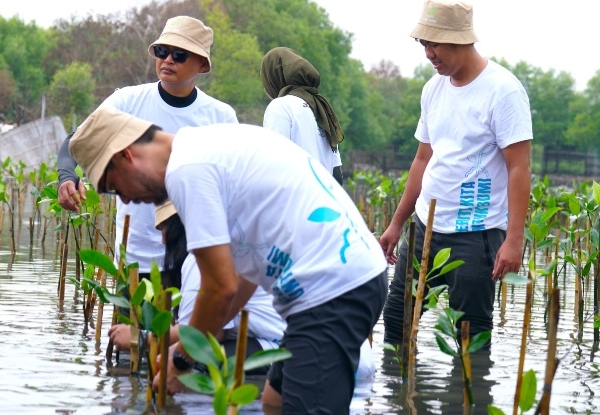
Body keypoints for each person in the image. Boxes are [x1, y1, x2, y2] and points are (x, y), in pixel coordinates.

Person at [69, 106, 388, 414]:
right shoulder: (204, 149)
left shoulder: (187, 170)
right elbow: (240, 283)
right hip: (335, 287)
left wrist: (180, 361)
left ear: (126, 155)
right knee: (273, 403)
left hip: (332, 289)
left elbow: (218, 290)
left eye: (112, 187)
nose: (124, 199)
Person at [379, 0, 532, 346]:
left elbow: (519, 168)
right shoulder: (433, 89)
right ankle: (401, 399)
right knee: (396, 320)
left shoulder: (503, 90)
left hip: (475, 234)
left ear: (462, 40)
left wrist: (514, 240)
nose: (429, 54)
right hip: (424, 227)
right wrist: (396, 223)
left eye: (435, 44)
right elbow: (422, 160)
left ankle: (466, 400)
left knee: (470, 336)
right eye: (424, 44)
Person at [56, 16, 237, 285]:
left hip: (193, 260)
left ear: (201, 63)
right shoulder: (128, 101)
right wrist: (67, 177)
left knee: (182, 327)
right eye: (162, 52)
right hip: (134, 258)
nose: (168, 60)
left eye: (179, 54)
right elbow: (77, 140)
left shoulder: (220, 116)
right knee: (128, 328)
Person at [109, 201, 287, 376]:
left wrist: (139, 337)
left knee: (191, 363)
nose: (162, 240)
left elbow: (205, 335)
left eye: (164, 228)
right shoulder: (213, 248)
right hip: (265, 340)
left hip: (273, 346)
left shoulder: (199, 260)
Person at [260, 46, 344, 185]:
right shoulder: (320, 107)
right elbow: (337, 175)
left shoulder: (280, 107)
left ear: (274, 79)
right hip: (322, 202)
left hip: (295, 203)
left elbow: (272, 166)